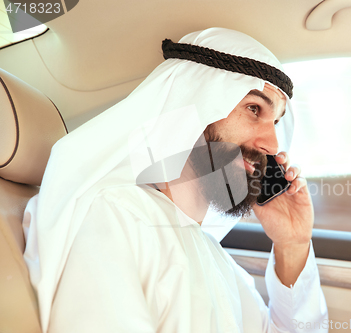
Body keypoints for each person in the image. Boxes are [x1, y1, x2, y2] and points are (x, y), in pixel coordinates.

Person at [23, 27, 328, 332]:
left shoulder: (213, 254)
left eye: (275, 122)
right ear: (194, 103)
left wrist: (293, 244)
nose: (273, 146)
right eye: (253, 109)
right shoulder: (114, 215)